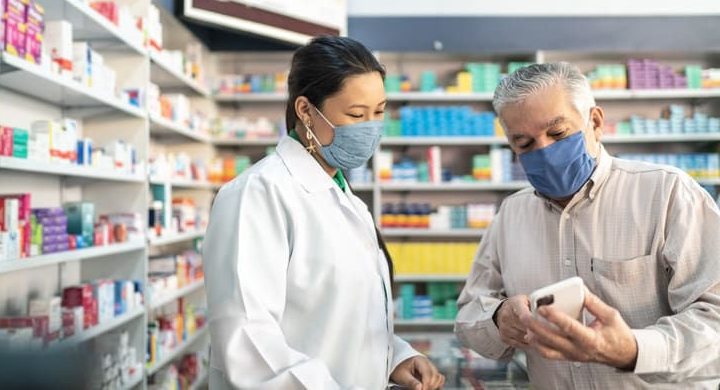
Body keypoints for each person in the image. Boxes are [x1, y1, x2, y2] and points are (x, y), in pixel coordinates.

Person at [454, 62, 720, 389]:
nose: (545, 152)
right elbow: (468, 314)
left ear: (594, 122)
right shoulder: (512, 214)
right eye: (524, 144)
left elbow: (714, 319)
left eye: (558, 133)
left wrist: (634, 349)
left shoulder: (668, 194)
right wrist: (497, 320)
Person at [202, 36, 445, 390]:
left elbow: (345, 316)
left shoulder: (346, 198)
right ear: (305, 110)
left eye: (379, 112)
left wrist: (396, 356)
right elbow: (248, 343)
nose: (371, 128)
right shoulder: (258, 193)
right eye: (356, 114)